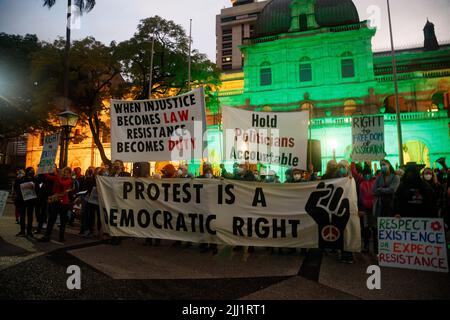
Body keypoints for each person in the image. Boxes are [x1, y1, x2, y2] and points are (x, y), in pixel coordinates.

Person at [39, 166, 74, 242]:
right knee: (51, 219)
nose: (65, 173)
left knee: (62, 221)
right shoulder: (57, 177)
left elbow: (62, 184)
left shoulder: (69, 180)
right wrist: (45, 169)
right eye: (64, 172)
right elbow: (48, 177)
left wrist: (57, 175)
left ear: (69, 174)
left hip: (64, 203)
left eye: (67, 172)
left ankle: (61, 237)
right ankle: (47, 236)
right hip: (55, 201)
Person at [14, 167, 38, 237]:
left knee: (30, 216)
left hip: (31, 201)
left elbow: (38, 189)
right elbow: (16, 187)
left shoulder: (35, 179)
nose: (32, 172)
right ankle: (22, 231)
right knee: (22, 216)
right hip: (23, 200)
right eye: (30, 171)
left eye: (33, 171)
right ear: (27, 171)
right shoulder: (22, 179)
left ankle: (29, 232)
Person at [358, 167, 376, 253]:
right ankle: (366, 246)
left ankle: (375, 247)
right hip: (365, 209)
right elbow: (360, 197)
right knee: (365, 228)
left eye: (368, 174)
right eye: (365, 174)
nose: (367, 176)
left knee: (374, 227)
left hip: (373, 208)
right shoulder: (361, 184)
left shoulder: (375, 182)